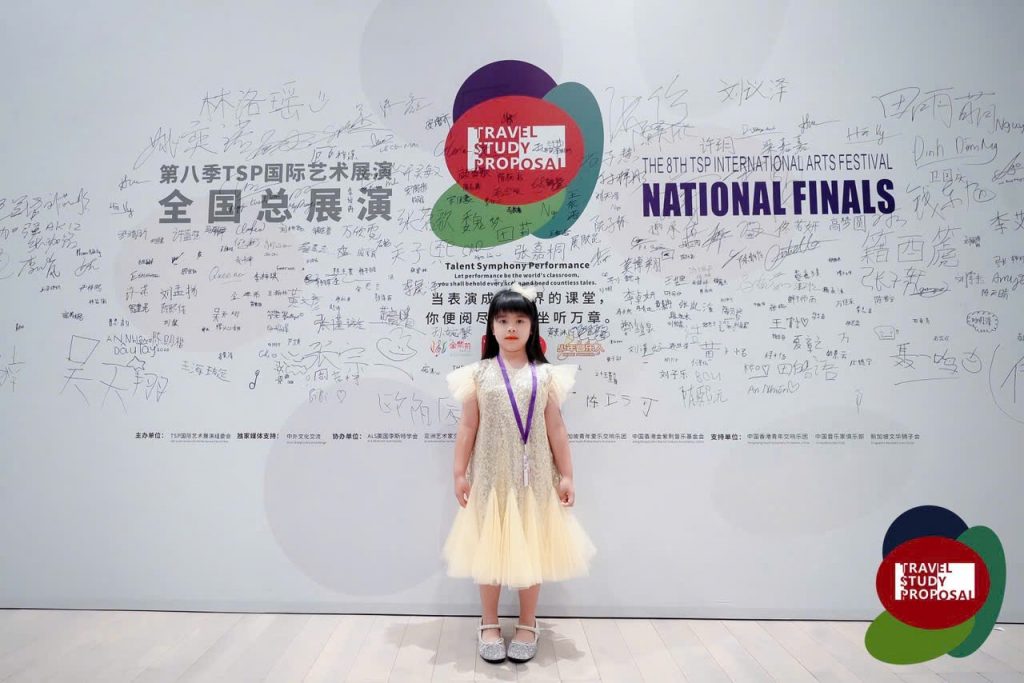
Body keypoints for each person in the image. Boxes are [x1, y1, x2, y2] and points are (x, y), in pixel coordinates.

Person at [442, 283, 597, 664]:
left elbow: (556, 428)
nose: (511, 328)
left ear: (532, 327)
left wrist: (567, 474)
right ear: (491, 328)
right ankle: (489, 621)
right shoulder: (476, 375)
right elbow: (467, 427)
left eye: (519, 320)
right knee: (487, 549)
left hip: (536, 480)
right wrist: (459, 473)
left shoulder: (546, 376)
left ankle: (528, 622)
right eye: (502, 320)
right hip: (490, 479)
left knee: (533, 546)